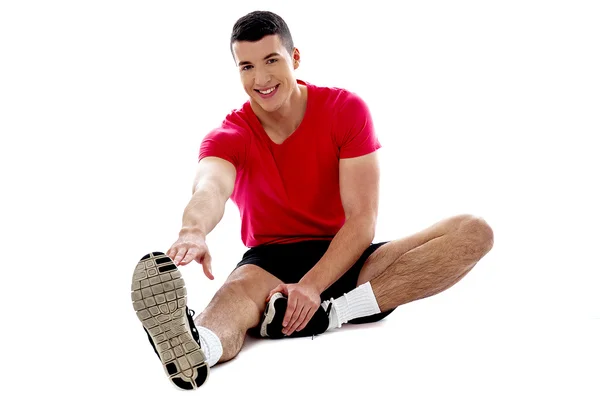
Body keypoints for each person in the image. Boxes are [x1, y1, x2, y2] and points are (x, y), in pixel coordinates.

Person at [130, 10, 494, 390]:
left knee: (474, 232)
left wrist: (313, 287)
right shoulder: (230, 135)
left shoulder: (344, 111)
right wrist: (193, 231)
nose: (261, 78)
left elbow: (361, 219)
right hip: (270, 261)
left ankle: (331, 314)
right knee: (233, 295)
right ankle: (196, 347)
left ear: (295, 58)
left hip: (347, 256)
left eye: (272, 60)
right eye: (247, 67)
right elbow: (210, 187)